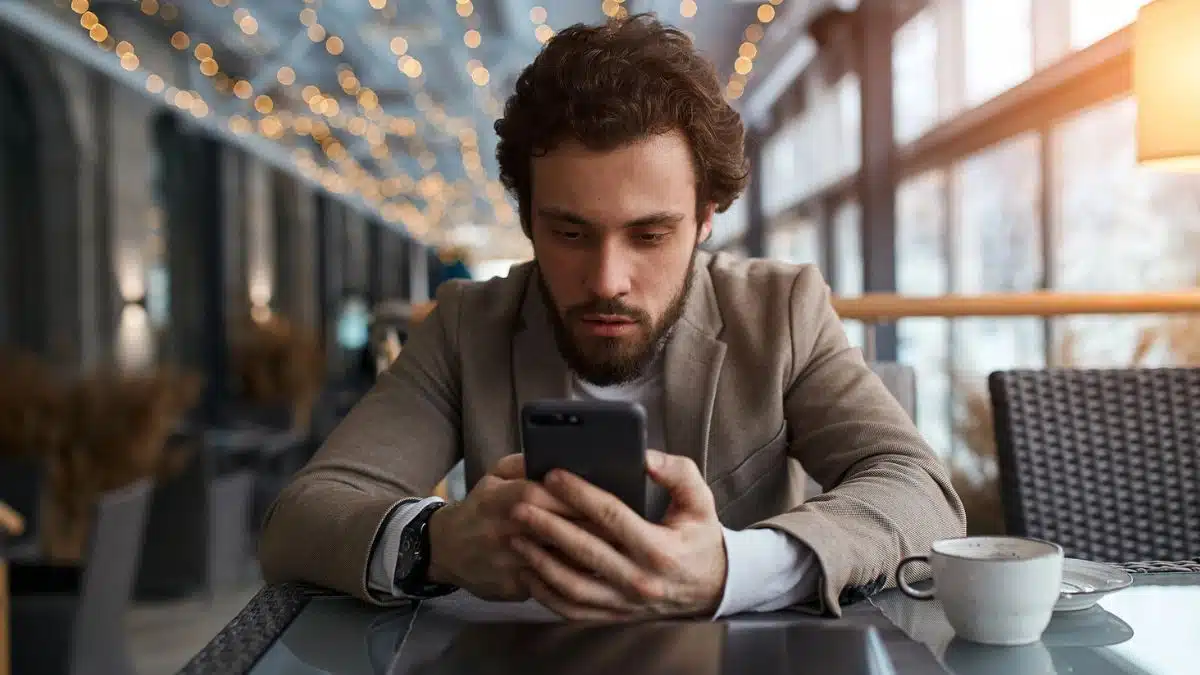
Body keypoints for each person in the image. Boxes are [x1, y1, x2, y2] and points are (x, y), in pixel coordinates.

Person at [260, 13, 965, 620]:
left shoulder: (780, 312)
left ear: (705, 219)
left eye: (650, 235)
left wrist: (734, 567)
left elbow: (920, 491)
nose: (606, 281)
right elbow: (301, 516)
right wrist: (434, 544)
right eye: (570, 232)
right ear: (528, 219)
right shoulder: (466, 326)